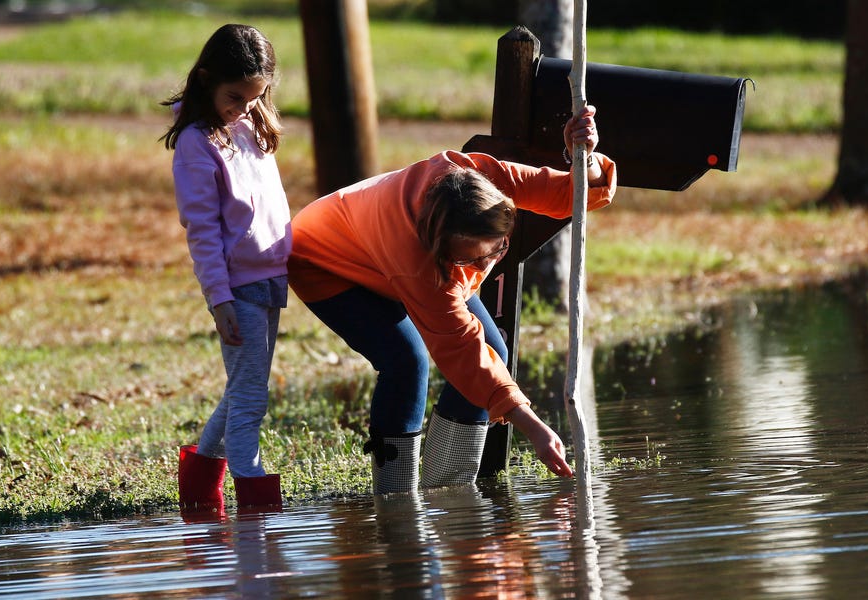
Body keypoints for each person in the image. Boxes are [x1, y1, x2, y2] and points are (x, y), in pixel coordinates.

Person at [289, 106, 616, 493]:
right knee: (405, 361)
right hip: (323, 260)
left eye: (494, 251)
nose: (483, 265)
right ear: (441, 246)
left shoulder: (487, 180)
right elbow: (461, 352)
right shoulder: (418, 263)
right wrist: (534, 427)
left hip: (379, 244)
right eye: (468, 259)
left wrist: (586, 156)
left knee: (494, 347)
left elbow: (572, 194)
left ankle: (448, 488)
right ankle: (396, 497)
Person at [161, 23, 289, 514]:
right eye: (235, 96)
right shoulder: (198, 142)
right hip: (239, 288)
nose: (245, 106)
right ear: (205, 79)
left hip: (271, 278)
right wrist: (220, 300)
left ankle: (197, 493)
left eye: (256, 97)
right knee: (251, 397)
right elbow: (203, 230)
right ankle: (254, 500)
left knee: (242, 388)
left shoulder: (252, 127)